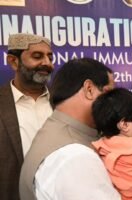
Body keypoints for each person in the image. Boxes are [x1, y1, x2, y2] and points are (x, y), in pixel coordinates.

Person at [19, 58, 121, 200]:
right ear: (89, 89)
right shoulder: (76, 156)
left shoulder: (55, 131)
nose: (115, 103)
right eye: (109, 94)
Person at [0, 33, 53, 200]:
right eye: (37, 56)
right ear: (13, 62)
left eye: (50, 57)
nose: (47, 63)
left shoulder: (63, 102)